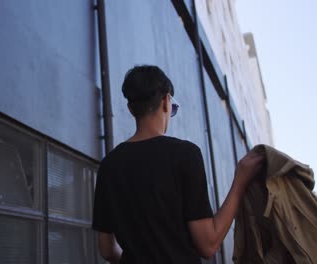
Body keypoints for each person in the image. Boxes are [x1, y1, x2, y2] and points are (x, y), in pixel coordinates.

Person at [92, 65, 264, 264]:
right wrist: (240, 181)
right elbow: (208, 244)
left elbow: (106, 249)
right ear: (166, 101)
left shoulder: (109, 166)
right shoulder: (185, 155)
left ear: (131, 109)